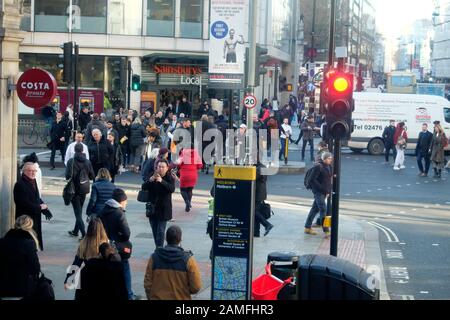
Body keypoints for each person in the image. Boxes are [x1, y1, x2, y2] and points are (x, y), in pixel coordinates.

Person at [144, 225, 202, 300]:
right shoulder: (188, 260)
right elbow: (196, 287)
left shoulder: (154, 257)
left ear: (166, 239)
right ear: (180, 240)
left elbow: (147, 284)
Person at [100, 189, 136, 300]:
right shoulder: (119, 213)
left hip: (104, 246)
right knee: (125, 268)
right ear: (121, 201)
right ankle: (129, 295)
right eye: (125, 200)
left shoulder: (104, 209)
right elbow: (126, 233)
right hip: (118, 247)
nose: (126, 203)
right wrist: (121, 239)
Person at [64, 218, 110, 300]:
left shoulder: (83, 243)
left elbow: (76, 263)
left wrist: (68, 279)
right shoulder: (106, 244)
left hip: (86, 277)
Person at [0, 216, 41, 299]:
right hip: (21, 289)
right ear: (30, 227)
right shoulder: (29, 244)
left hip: (2, 288)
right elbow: (35, 268)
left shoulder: (2, 241)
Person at [14, 162, 52, 251]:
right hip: (25, 219)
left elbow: (36, 197)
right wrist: (39, 207)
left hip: (34, 216)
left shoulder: (33, 181)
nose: (33, 173)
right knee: (26, 242)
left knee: (34, 240)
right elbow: (23, 203)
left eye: (34, 171)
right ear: (24, 171)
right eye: (30, 171)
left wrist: (45, 208)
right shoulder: (20, 184)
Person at [141, 160, 176, 248]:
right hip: (152, 208)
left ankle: (159, 249)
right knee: (154, 230)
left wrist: (162, 181)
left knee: (160, 231)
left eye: (162, 167)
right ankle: (158, 247)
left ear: (167, 168)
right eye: (159, 167)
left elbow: (172, 189)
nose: (160, 169)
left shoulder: (170, 177)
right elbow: (143, 187)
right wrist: (150, 180)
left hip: (164, 209)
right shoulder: (153, 175)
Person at [66, 144, 95, 240]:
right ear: (82, 150)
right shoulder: (87, 161)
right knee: (79, 210)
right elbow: (92, 176)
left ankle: (84, 234)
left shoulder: (71, 161)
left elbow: (67, 175)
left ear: (74, 150)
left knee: (77, 213)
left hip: (74, 189)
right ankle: (75, 231)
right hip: (84, 188)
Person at [304, 152, 333, 237]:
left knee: (314, 209)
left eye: (331, 158)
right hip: (318, 192)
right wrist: (322, 189)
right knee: (323, 209)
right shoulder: (318, 167)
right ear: (324, 159)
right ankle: (326, 230)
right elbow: (313, 180)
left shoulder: (329, 167)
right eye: (328, 158)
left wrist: (328, 191)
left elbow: (328, 181)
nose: (330, 160)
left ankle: (307, 227)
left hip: (324, 192)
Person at [176, 145, 203, 212]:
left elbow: (178, 164)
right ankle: (188, 204)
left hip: (184, 174)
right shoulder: (196, 154)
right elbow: (200, 165)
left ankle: (187, 202)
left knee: (183, 190)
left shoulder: (183, 153)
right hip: (193, 175)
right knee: (190, 190)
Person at [254, 163, 274, 237]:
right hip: (260, 193)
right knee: (256, 213)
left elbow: (253, 176)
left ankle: (267, 224)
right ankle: (256, 233)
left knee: (254, 212)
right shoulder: (260, 167)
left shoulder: (260, 168)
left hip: (258, 194)